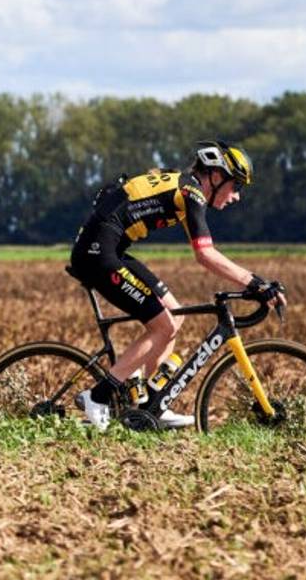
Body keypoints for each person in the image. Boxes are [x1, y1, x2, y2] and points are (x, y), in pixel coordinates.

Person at [68, 139, 287, 430]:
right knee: (164, 325)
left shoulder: (183, 188)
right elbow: (205, 254)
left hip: (108, 248)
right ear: (216, 176)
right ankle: (99, 395)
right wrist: (256, 283)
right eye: (236, 186)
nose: (235, 196)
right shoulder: (190, 191)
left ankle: (152, 406)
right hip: (98, 254)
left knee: (175, 314)